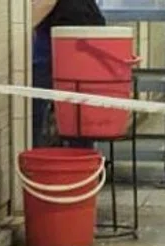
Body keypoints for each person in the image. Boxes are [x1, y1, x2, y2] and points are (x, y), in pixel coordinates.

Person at [31, 0, 105, 148]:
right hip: (82, 33)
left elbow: (47, 2)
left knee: (35, 104)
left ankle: (39, 159)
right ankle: (83, 162)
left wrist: (21, 27)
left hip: (65, 36)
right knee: (78, 113)